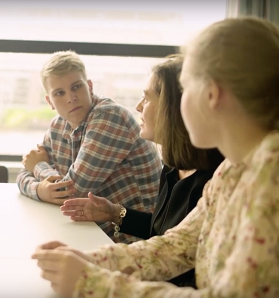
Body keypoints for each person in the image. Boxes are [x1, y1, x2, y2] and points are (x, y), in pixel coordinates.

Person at [32, 17, 279, 297]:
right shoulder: (234, 170)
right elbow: (174, 247)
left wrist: (92, 283)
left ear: (211, 94)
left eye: (185, 89)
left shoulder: (271, 178)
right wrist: (88, 260)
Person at [59, 55, 224, 287]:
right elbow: (164, 236)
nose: (138, 106)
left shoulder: (214, 178)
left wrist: (103, 280)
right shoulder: (172, 165)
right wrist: (114, 213)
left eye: (147, 98)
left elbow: (178, 263)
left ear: (174, 107)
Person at [17, 50, 162, 243]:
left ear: (90, 86)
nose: (71, 98)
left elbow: (72, 192)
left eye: (76, 87)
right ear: (50, 101)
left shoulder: (109, 117)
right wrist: (40, 190)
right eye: (59, 93)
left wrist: (38, 168)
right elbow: (23, 174)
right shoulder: (58, 126)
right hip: (91, 233)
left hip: (135, 240)